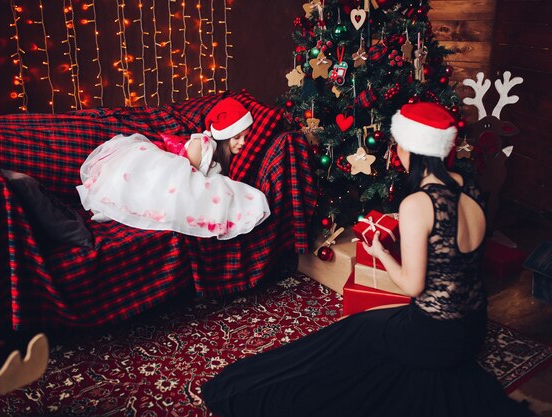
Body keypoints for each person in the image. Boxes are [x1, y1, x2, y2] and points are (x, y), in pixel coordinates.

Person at [200, 102, 533, 417]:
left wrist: (381, 254)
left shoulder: (418, 203)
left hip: (436, 337)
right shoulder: (469, 186)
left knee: (352, 334)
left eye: (398, 145)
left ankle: (253, 390)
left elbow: (413, 286)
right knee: (373, 326)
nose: (395, 153)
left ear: (411, 150)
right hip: (473, 329)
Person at [76, 98, 270, 240]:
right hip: (172, 176)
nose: (243, 143)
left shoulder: (219, 155)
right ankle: (115, 206)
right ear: (225, 136)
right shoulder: (201, 144)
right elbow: (186, 179)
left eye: (246, 137)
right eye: (237, 137)